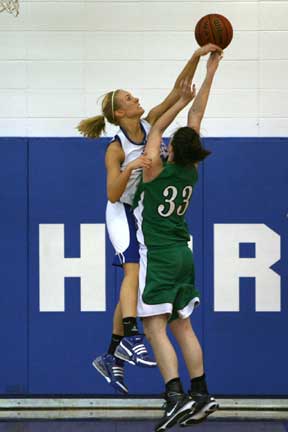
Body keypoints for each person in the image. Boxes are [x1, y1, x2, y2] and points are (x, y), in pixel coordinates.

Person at [77, 43, 222, 395]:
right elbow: (112, 193)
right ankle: (128, 335)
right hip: (122, 209)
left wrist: (196, 57)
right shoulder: (116, 147)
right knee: (133, 273)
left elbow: (178, 92)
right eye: (130, 97)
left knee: (137, 279)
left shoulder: (149, 125)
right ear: (118, 111)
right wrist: (130, 167)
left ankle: (113, 352)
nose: (137, 97)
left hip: (142, 210)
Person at [132, 51, 222, 431]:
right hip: (185, 252)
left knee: (154, 326)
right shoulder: (191, 169)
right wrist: (211, 72)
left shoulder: (153, 171)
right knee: (182, 325)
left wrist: (181, 99)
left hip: (161, 254)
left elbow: (154, 128)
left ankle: (174, 397)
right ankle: (201, 394)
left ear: (170, 150)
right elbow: (196, 121)